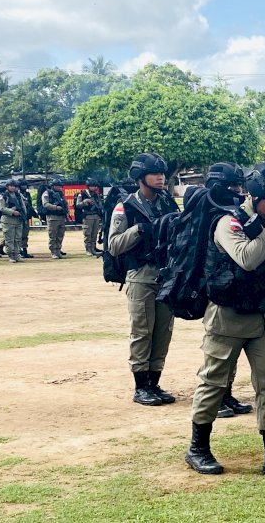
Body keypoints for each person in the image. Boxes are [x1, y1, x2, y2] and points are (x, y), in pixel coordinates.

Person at [185, 159, 265, 479]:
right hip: (228, 317)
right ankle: (198, 448)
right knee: (213, 382)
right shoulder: (228, 223)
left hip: (262, 317)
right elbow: (248, 259)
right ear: (257, 195)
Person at [108, 153, 179, 406]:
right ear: (140, 178)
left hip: (166, 275)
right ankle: (141, 387)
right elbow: (114, 245)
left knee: (163, 331)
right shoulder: (125, 206)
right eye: (154, 173)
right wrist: (138, 230)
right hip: (140, 276)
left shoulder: (167, 203)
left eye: (162, 173)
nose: (160, 177)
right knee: (142, 330)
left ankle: (155, 383)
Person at [203, 162, 254, 420]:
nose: (239, 191)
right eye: (233, 186)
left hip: (234, 289)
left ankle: (227, 393)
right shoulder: (217, 215)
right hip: (218, 291)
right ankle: (217, 399)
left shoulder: (234, 212)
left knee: (229, 355)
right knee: (218, 356)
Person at [0, 179, 27, 263]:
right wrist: (13, 212)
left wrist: (24, 215)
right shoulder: (3, 196)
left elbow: (23, 206)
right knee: (9, 239)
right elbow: (2, 208)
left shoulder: (18, 195)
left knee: (18, 239)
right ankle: (11, 255)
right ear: (7, 186)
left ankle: (17, 255)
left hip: (18, 220)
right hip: (8, 220)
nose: (13, 187)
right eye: (11, 186)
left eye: (14, 186)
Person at [41, 179, 69, 259]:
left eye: (60, 186)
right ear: (53, 186)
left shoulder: (60, 194)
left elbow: (65, 203)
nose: (59, 187)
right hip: (52, 217)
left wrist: (65, 210)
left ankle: (58, 250)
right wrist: (56, 207)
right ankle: (53, 252)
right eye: (57, 185)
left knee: (60, 235)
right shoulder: (47, 193)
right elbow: (45, 204)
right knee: (53, 236)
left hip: (61, 217)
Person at [76, 178, 103, 256]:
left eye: (95, 186)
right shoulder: (82, 194)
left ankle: (93, 249)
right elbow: (78, 205)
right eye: (92, 186)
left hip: (96, 216)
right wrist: (85, 202)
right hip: (88, 216)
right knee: (88, 234)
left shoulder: (96, 195)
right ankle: (88, 250)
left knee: (94, 234)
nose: (93, 188)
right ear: (88, 186)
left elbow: (100, 205)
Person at [18, 180, 36, 258]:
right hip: (18, 217)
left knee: (25, 234)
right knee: (17, 235)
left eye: (25, 185)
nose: (24, 187)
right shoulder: (17, 194)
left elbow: (30, 205)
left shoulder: (27, 194)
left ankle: (24, 251)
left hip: (26, 217)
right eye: (22, 185)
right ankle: (18, 251)